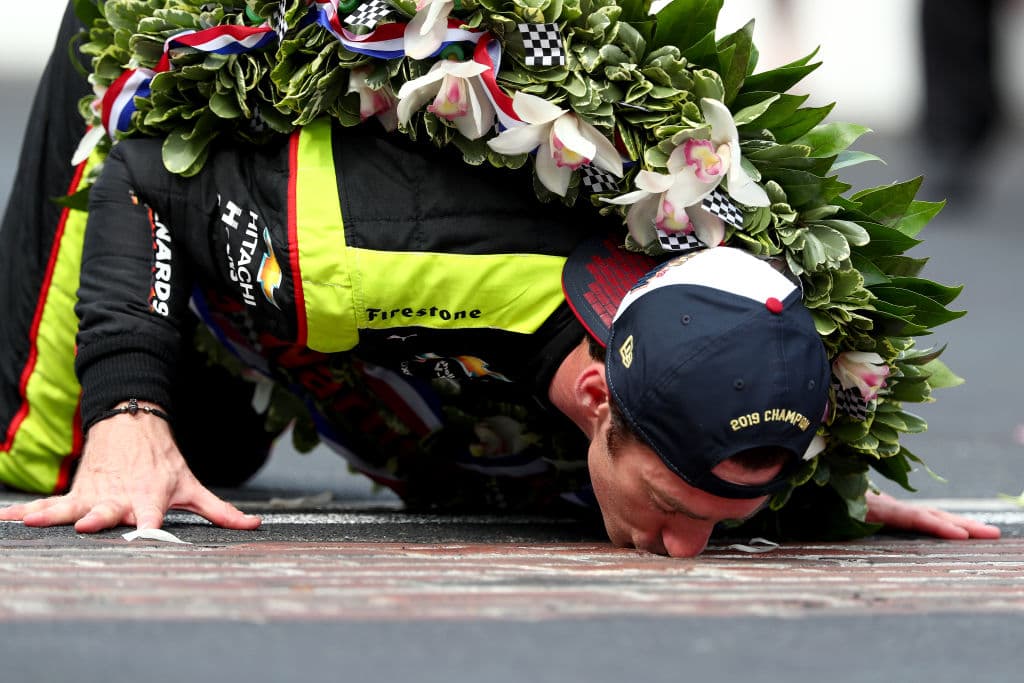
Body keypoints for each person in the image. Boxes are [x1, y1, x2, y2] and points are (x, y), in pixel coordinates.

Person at [0, 0, 1000, 557]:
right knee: (53, 460)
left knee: (215, 454)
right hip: (172, 108)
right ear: (598, 392)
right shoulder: (382, 247)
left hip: (280, 286)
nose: (686, 548)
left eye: (715, 522)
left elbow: (727, 402)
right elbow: (145, 172)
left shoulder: (706, 329)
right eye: (678, 507)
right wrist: (127, 408)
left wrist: (807, 493)